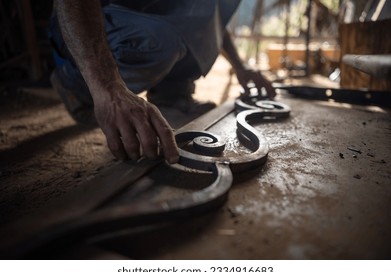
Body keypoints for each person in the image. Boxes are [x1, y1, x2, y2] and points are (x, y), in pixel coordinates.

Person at [50, 0, 276, 164]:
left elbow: (211, 20)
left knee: (201, 23)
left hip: (149, 18)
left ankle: (171, 95)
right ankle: (76, 84)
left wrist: (240, 66)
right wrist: (107, 88)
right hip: (84, 21)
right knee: (158, 41)